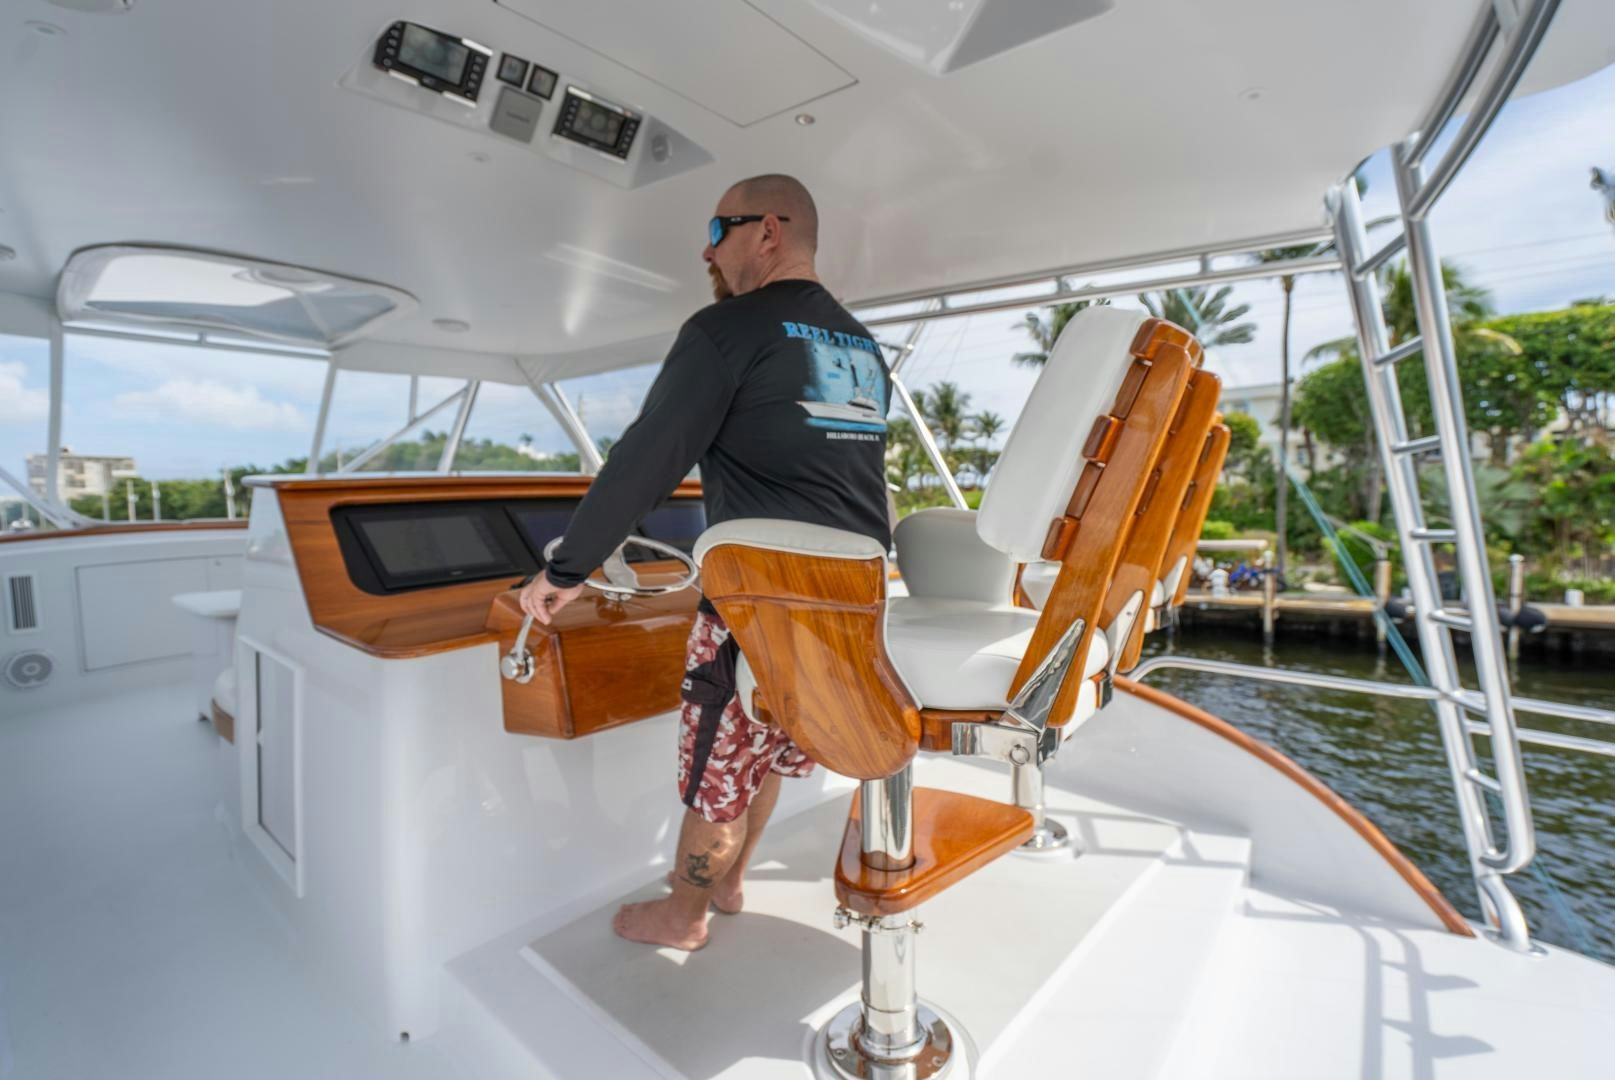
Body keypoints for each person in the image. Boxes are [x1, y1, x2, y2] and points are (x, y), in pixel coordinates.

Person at [517, 174, 892, 951]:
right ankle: (727, 880)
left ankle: (683, 917)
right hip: (850, 607)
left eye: (719, 228)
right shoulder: (860, 342)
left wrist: (565, 571)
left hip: (758, 605)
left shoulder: (727, 330)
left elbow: (647, 458)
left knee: (723, 766)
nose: (706, 247)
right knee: (768, 750)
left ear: (769, 230)